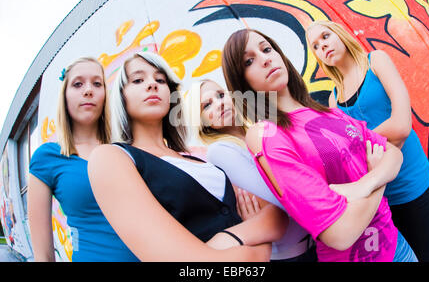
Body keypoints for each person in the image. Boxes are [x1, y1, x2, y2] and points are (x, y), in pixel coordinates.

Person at [221, 28, 418, 262]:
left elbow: (393, 153)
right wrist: (377, 176)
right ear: (241, 81)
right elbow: (340, 233)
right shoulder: (266, 134)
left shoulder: (325, 111)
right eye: (249, 61)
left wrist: (366, 184)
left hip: (397, 244)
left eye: (267, 49)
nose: (265, 59)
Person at [87, 51, 288, 261]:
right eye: (138, 80)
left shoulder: (201, 161)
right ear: (121, 96)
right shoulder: (111, 157)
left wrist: (229, 239)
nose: (152, 84)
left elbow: (276, 215)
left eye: (160, 80)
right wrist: (257, 248)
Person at [306, 20, 429, 262]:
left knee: (425, 254)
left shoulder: (376, 61)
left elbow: (401, 125)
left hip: (411, 182)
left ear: (340, 34)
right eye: (315, 46)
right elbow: (350, 156)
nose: (322, 46)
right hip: (379, 194)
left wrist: (362, 143)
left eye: (326, 36)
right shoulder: (333, 100)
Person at [184, 79, 318, 262]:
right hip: (294, 255)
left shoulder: (257, 130)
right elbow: (280, 197)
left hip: (315, 239)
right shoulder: (219, 151)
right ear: (202, 122)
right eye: (207, 105)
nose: (220, 103)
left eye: (221, 95)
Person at [28, 57, 140, 261]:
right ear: (65, 96)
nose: (88, 90)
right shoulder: (47, 157)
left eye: (97, 83)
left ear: (105, 95)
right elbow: (43, 255)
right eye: (78, 84)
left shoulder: (128, 150)